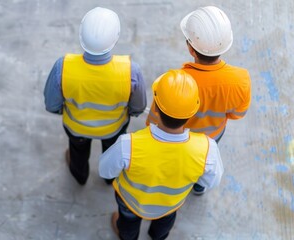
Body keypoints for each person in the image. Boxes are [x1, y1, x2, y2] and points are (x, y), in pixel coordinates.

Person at [99, 70, 223, 240]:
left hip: (131, 202)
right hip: (169, 205)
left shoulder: (128, 144)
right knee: (164, 225)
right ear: (192, 113)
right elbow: (210, 181)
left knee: (128, 225)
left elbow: (105, 171)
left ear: (155, 107)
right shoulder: (207, 149)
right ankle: (157, 236)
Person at [145, 6, 251, 195]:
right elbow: (237, 114)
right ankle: (199, 186)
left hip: (179, 139)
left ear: (190, 48)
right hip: (213, 135)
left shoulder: (172, 82)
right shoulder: (241, 79)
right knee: (202, 162)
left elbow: (154, 119)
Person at [43, 7, 146, 185]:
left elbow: (51, 104)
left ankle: (79, 176)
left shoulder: (63, 67)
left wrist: (63, 111)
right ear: (116, 38)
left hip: (76, 127)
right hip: (113, 128)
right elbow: (138, 107)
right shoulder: (130, 71)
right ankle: (109, 178)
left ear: (81, 35)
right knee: (112, 153)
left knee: (78, 152)